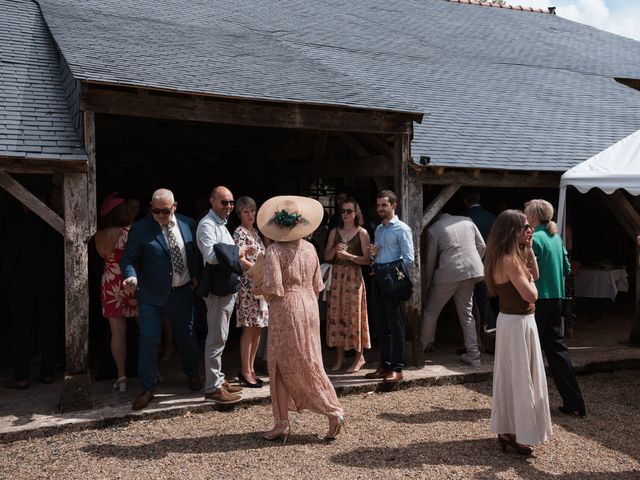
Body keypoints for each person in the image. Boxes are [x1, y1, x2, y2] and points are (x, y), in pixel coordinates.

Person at [254, 195, 345, 443]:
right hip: (310, 306)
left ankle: (330, 410)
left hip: (286, 309)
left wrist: (256, 285)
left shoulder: (273, 251)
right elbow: (317, 285)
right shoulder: (310, 248)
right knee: (310, 360)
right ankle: (286, 420)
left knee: (282, 364)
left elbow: (274, 287)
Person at [120, 188, 202, 410]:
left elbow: (195, 254)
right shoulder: (141, 228)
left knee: (187, 335)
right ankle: (147, 388)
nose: (160, 216)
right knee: (148, 340)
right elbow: (127, 260)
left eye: (164, 211)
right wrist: (131, 277)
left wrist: (196, 276)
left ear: (174, 207)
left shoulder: (189, 224)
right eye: (155, 211)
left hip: (182, 291)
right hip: (151, 295)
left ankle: (192, 373)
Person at [485, 209, 552, 455]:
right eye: (525, 226)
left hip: (515, 322)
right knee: (520, 377)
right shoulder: (508, 260)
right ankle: (516, 433)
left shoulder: (506, 255)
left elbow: (535, 274)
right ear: (512, 231)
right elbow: (532, 294)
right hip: (517, 324)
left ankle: (508, 431)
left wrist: (530, 249)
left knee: (514, 376)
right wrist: (532, 284)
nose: (529, 230)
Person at [525, 199, 586, 417]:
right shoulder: (555, 238)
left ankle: (528, 403)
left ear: (532, 216)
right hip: (557, 298)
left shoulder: (535, 239)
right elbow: (567, 268)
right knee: (557, 351)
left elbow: (527, 269)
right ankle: (574, 400)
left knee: (530, 350)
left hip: (539, 298)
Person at [2, 194, 64, 389]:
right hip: (49, 286)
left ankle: (21, 376)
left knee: (22, 332)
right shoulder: (53, 225)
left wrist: (5, 284)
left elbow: (8, 258)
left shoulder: (16, 226)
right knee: (48, 330)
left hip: (22, 287)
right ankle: (47, 372)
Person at [196, 186, 248, 404]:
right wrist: (239, 252)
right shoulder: (207, 225)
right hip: (218, 289)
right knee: (216, 337)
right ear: (212, 201)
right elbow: (211, 256)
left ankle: (217, 378)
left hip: (226, 287)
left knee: (222, 335)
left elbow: (224, 253)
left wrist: (233, 253)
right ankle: (213, 387)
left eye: (231, 202)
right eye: (224, 202)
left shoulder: (222, 225)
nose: (228, 206)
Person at [420, 213, 485, 367]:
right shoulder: (468, 220)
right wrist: (474, 260)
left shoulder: (434, 229)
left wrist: (426, 284)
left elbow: (430, 259)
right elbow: (482, 246)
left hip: (448, 273)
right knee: (467, 314)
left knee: (431, 311)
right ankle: (474, 355)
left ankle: (419, 350)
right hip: (471, 272)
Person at [364, 190, 414, 383]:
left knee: (396, 324)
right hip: (378, 276)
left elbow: (409, 259)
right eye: (378, 205)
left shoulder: (402, 229)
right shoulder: (378, 229)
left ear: (394, 205)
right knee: (381, 324)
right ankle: (385, 365)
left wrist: (404, 281)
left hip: (393, 279)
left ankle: (397, 367)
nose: (380, 209)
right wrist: (374, 254)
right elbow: (377, 255)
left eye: (384, 205)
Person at [94, 192, 138, 392]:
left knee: (117, 332)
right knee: (146, 327)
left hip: (109, 281)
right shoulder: (128, 231)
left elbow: (104, 256)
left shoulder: (99, 235)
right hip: (131, 281)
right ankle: (152, 370)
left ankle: (121, 376)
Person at [323, 197, 371, 373]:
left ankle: (360, 357)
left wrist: (350, 257)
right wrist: (335, 250)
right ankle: (340, 359)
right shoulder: (334, 232)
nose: (345, 214)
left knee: (355, 317)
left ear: (355, 213)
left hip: (353, 277)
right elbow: (326, 257)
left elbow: (367, 260)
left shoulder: (362, 233)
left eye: (349, 211)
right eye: (343, 211)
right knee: (336, 317)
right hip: (337, 276)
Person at [233, 196, 268, 388]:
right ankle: (245, 370)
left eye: (252, 211)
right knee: (249, 327)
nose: (250, 215)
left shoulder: (255, 232)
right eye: (246, 211)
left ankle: (252, 368)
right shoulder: (239, 233)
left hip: (260, 285)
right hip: (248, 286)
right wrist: (256, 273)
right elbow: (240, 258)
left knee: (258, 327)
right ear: (239, 214)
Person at [463, 190, 498, 332]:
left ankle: (486, 331)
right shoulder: (492, 217)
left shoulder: (464, 219)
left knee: (469, 302)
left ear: (465, 201)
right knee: (489, 299)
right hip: (491, 262)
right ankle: (491, 329)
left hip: (471, 265)